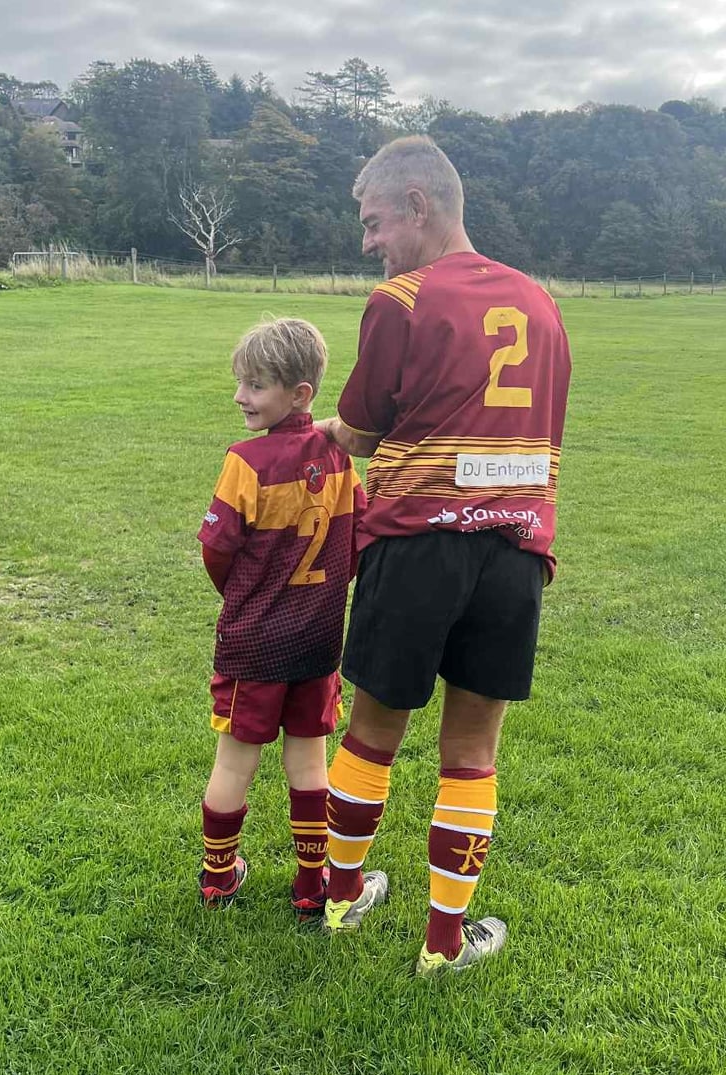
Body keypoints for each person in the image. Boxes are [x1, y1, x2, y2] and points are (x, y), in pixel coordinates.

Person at [315, 136, 572, 974]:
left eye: (374, 221)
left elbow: (360, 430)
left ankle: (344, 901)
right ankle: (443, 945)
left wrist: (318, 434)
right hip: (513, 553)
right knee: (472, 752)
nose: (368, 242)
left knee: (372, 733)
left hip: (416, 544)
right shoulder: (541, 302)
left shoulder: (401, 298)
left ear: (418, 206)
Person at [196, 317, 366, 922]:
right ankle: (311, 883)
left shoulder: (245, 461)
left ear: (301, 394)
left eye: (256, 385)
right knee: (309, 761)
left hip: (254, 644)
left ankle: (219, 875)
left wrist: (241, 596)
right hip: (318, 639)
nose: (241, 396)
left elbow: (216, 550)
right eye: (241, 382)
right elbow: (358, 538)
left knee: (234, 761)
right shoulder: (341, 460)